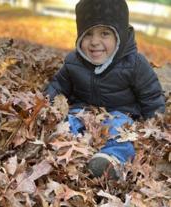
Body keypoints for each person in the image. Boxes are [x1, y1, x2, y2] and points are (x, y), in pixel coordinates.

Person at [44, 0, 165, 180]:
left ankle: (110, 161)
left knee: (121, 133)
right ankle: (65, 149)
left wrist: (153, 126)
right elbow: (58, 86)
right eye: (88, 34)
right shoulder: (73, 62)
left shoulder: (135, 64)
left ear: (120, 36)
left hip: (120, 115)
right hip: (83, 112)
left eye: (105, 33)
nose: (94, 42)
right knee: (68, 122)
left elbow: (152, 96)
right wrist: (45, 103)